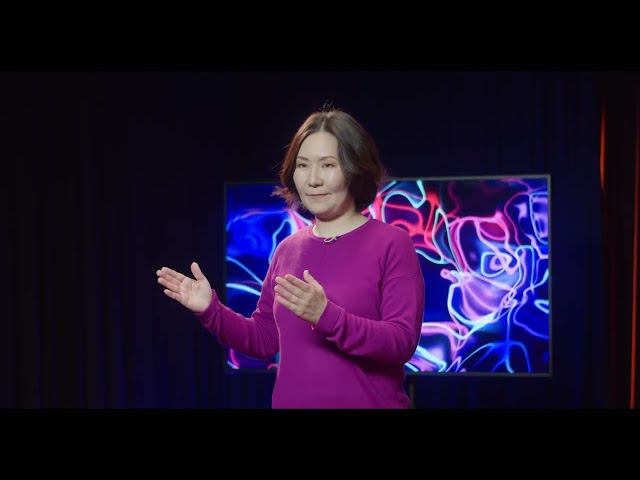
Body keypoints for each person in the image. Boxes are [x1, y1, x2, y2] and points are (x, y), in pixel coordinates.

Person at [156, 107, 425, 408]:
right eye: (303, 165)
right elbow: (263, 339)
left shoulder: (392, 243)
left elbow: (401, 342)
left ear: (355, 170)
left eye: (328, 165)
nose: (313, 179)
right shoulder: (287, 249)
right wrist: (211, 310)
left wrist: (327, 316)